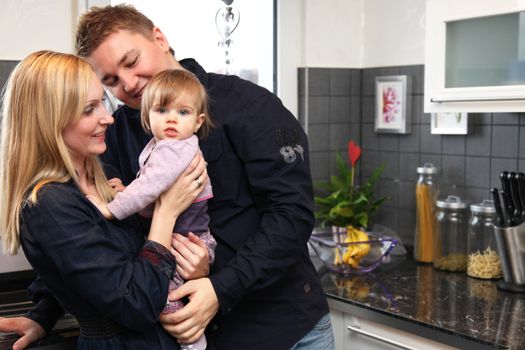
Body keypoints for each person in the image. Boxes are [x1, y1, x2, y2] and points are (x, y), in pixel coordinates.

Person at [0, 4, 334, 350]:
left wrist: (220, 288)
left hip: (284, 329)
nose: (128, 84)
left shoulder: (250, 105)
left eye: (130, 62)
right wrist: (43, 312)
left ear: (159, 38)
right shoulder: (115, 135)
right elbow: (85, 243)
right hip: (198, 337)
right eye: (111, 80)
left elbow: (291, 216)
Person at [0, 50, 208, 349]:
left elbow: (83, 265)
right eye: (89, 110)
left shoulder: (106, 177)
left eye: (103, 103)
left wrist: (42, 315)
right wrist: (166, 213)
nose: (108, 118)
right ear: (50, 122)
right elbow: (137, 304)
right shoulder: (50, 205)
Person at [89, 68, 216, 350]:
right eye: (161, 110)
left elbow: (149, 186)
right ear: (147, 117)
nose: (172, 118)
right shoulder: (164, 145)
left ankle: (194, 344)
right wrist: (128, 191)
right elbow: (151, 186)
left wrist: (111, 208)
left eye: (183, 113)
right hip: (189, 238)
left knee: (166, 299)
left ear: (198, 122)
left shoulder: (174, 149)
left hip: (185, 241)